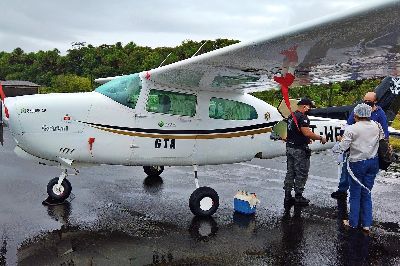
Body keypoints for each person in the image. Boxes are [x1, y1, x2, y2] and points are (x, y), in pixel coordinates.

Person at [332, 103, 384, 232]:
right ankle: (366, 224)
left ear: (356, 115)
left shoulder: (352, 129)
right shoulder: (377, 126)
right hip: (373, 162)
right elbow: (382, 140)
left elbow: (342, 147)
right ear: (368, 114)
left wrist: (335, 145)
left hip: (357, 163)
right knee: (366, 192)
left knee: (355, 194)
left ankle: (353, 222)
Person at [331, 91, 389, 199]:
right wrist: (342, 138)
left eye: (369, 102)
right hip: (354, 147)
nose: (367, 103)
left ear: (375, 101)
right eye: (365, 101)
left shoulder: (380, 114)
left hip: (370, 150)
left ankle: (362, 194)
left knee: (362, 180)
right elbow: (348, 125)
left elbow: (384, 133)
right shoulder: (357, 110)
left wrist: (385, 147)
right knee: (345, 169)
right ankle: (342, 190)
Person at [284, 98, 327, 206]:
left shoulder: (291, 116)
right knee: (301, 173)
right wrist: (320, 137)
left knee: (290, 172)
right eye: (309, 106)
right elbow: (307, 132)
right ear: (304, 106)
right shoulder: (303, 117)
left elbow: (291, 132)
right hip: (299, 150)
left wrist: (305, 138)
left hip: (290, 147)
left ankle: (287, 195)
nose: (310, 109)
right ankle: (298, 196)